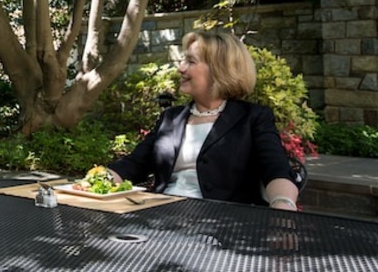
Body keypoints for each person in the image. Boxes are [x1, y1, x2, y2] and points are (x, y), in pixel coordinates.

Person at [107, 30, 300, 211]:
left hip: (223, 227)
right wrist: (94, 181)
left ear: (219, 69)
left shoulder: (253, 118)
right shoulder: (171, 117)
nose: (181, 68)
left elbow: (276, 170)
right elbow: (132, 165)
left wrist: (283, 205)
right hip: (162, 218)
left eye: (191, 61)